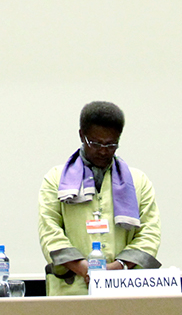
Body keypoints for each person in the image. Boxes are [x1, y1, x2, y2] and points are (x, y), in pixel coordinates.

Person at [37, 101, 161, 295]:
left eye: (111, 144)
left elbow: (150, 234)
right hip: (71, 292)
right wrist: (84, 269)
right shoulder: (55, 179)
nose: (103, 150)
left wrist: (117, 268)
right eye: (95, 143)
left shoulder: (138, 182)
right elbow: (49, 232)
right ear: (81, 135)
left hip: (125, 289)